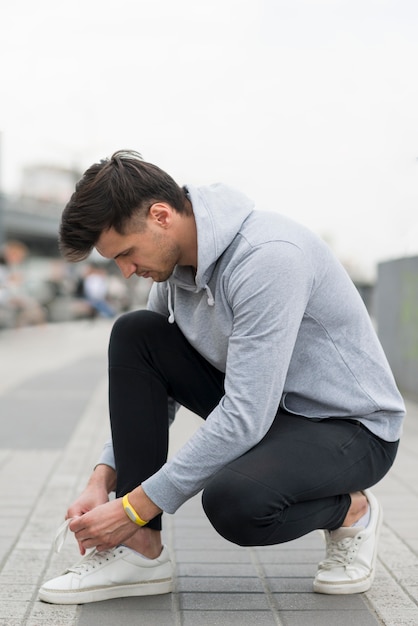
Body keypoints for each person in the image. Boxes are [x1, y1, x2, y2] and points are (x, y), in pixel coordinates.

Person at [39, 150, 405, 605]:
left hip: (350, 428)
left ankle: (353, 510)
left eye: (127, 253)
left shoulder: (268, 257)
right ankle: (140, 552)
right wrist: (103, 478)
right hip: (272, 415)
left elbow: (245, 415)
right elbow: (158, 382)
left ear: (161, 216)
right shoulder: (172, 271)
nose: (126, 270)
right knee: (136, 332)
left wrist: (132, 508)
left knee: (235, 503)